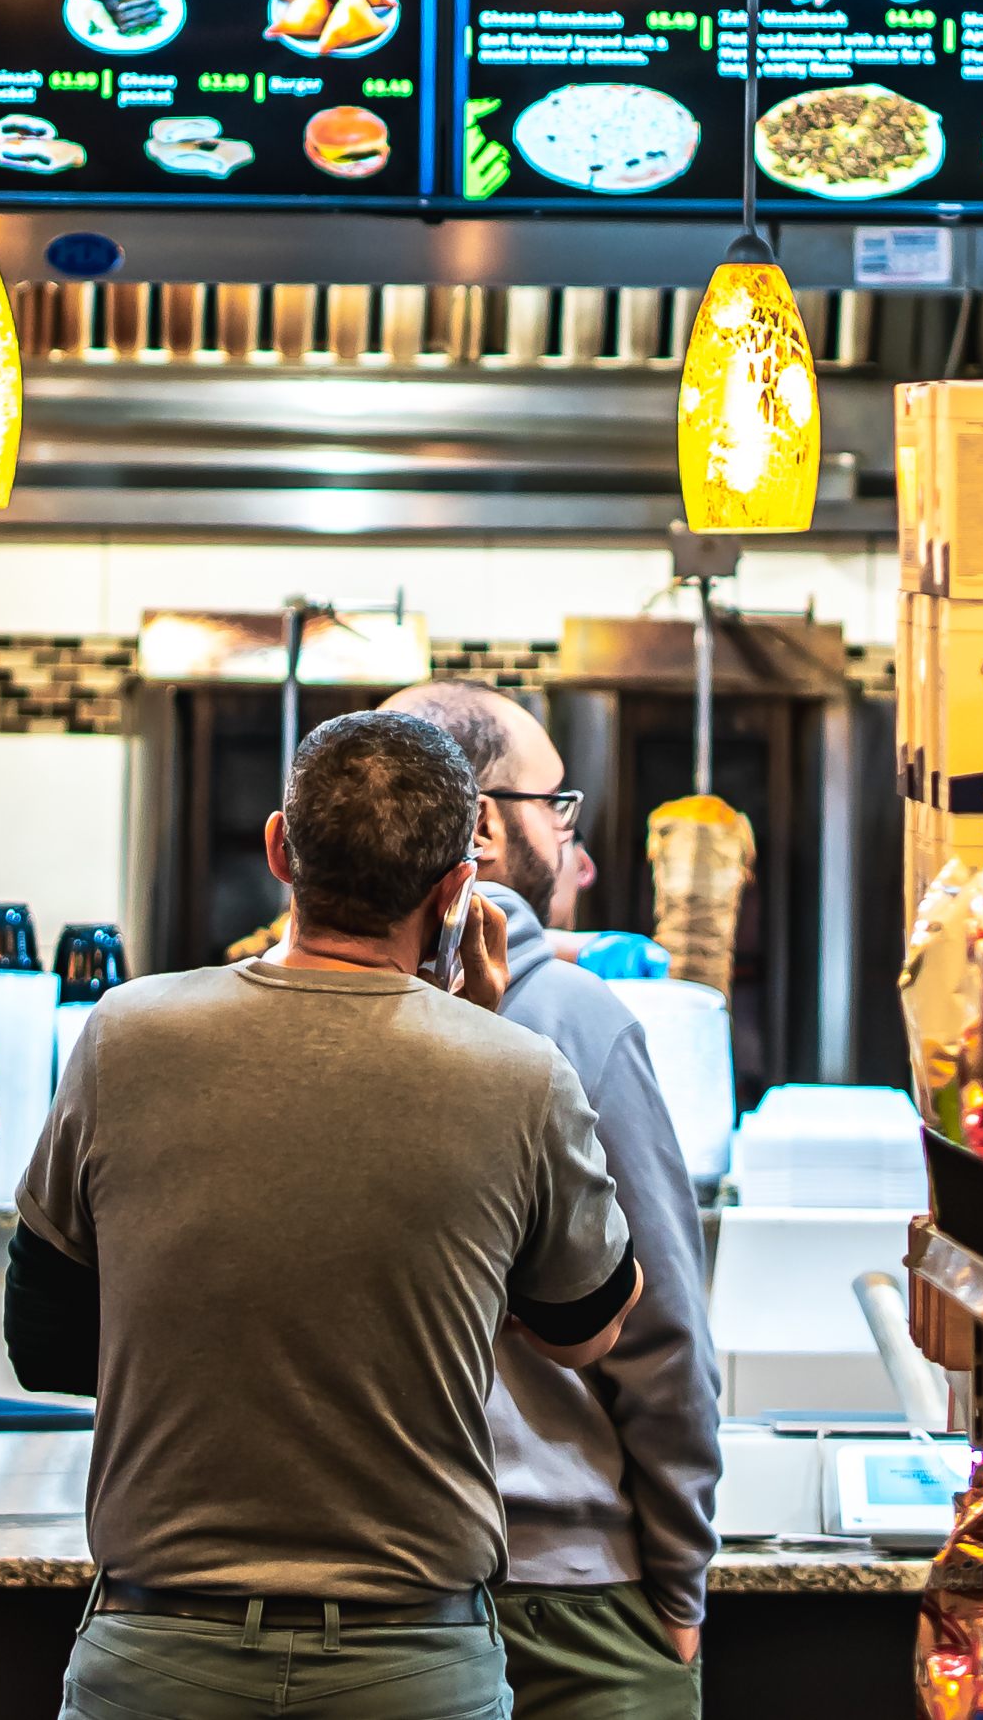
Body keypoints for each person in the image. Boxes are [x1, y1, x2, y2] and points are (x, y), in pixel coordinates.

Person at [9, 710, 639, 1720]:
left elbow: (41, 1343)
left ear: (278, 851)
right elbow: (587, 1328)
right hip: (411, 1669)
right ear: (453, 888)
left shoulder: (124, 1037)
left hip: (161, 1656)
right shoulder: (516, 1075)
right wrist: (471, 1038)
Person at [388, 681, 718, 1718]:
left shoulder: (272, 1018)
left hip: (364, 1591)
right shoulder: (576, 1019)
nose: (573, 848)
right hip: (563, 1600)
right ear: (483, 824)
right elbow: (658, 1334)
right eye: (555, 807)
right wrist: (678, 1575)